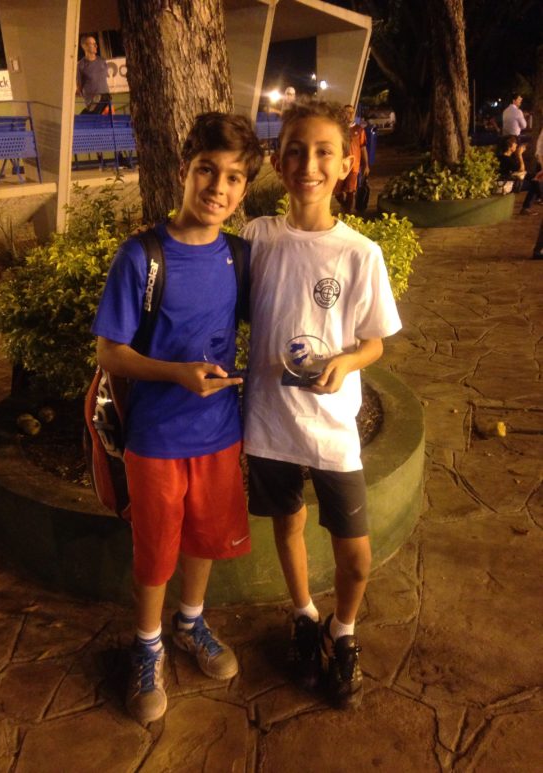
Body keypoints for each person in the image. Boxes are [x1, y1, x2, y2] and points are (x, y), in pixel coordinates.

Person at [92, 113, 264, 725]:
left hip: (220, 432)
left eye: (234, 177)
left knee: (205, 536)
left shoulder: (239, 256)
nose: (218, 186)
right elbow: (110, 352)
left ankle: (190, 623)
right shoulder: (142, 256)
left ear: (244, 190)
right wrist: (177, 373)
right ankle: (147, 647)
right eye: (207, 170)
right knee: (156, 548)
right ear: (184, 171)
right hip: (156, 437)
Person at [242, 100, 402, 709]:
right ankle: (306, 617)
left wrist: (347, 363)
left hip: (331, 428)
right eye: (296, 151)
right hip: (268, 421)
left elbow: (374, 342)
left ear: (345, 164)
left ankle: (344, 629)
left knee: (355, 556)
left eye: (323, 152)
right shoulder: (256, 238)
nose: (308, 164)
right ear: (278, 163)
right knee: (287, 523)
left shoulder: (359, 253)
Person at [334, 104, 370, 215]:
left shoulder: (359, 130)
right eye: (347, 112)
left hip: (354, 166)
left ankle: (347, 213)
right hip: (339, 166)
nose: (350, 114)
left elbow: (363, 148)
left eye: (352, 112)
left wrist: (366, 165)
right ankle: (345, 206)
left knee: (350, 191)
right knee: (337, 192)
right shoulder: (339, 129)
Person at [497, 135, 542, 215]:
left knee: (535, 178)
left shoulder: (504, 157)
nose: (516, 145)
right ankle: (526, 208)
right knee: (534, 183)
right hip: (507, 185)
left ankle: (533, 203)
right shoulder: (506, 159)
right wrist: (519, 155)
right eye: (515, 143)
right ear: (510, 146)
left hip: (510, 181)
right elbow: (521, 169)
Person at [76, 35, 111, 114]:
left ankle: (102, 99)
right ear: (84, 46)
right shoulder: (81, 65)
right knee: (84, 116)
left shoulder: (102, 61)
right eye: (92, 44)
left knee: (105, 97)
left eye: (96, 43)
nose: (96, 46)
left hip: (105, 101)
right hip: (91, 103)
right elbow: (79, 87)